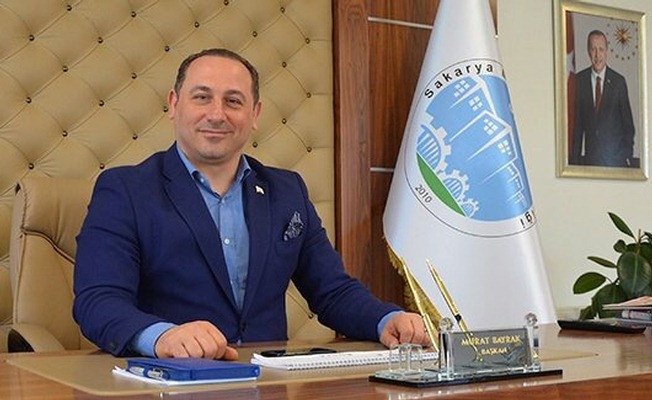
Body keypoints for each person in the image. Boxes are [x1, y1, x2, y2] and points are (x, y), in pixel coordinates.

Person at [73, 48, 429, 359]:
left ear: (255, 114)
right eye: (202, 97)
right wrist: (163, 337)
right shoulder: (125, 190)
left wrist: (386, 319)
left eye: (233, 101)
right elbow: (98, 301)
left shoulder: (287, 191)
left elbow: (332, 292)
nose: (217, 114)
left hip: (268, 382)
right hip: (169, 383)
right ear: (174, 104)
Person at [570, 29, 635, 168]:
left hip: (615, 163)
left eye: (601, 49)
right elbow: (577, 127)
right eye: (593, 49)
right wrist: (574, 163)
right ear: (588, 51)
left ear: (606, 51)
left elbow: (628, 126)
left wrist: (626, 156)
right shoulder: (580, 81)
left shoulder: (618, 82)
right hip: (590, 162)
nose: (597, 55)